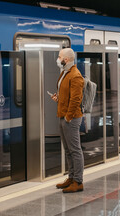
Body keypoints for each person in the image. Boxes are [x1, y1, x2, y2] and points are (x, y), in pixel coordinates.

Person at [51, 48, 84, 193]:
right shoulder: (65, 73)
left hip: (71, 118)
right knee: (68, 150)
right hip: (63, 115)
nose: (58, 59)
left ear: (67, 59)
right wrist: (58, 98)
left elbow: (76, 99)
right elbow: (67, 95)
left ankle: (78, 181)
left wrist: (68, 117)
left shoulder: (75, 75)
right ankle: (71, 177)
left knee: (75, 150)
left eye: (60, 57)